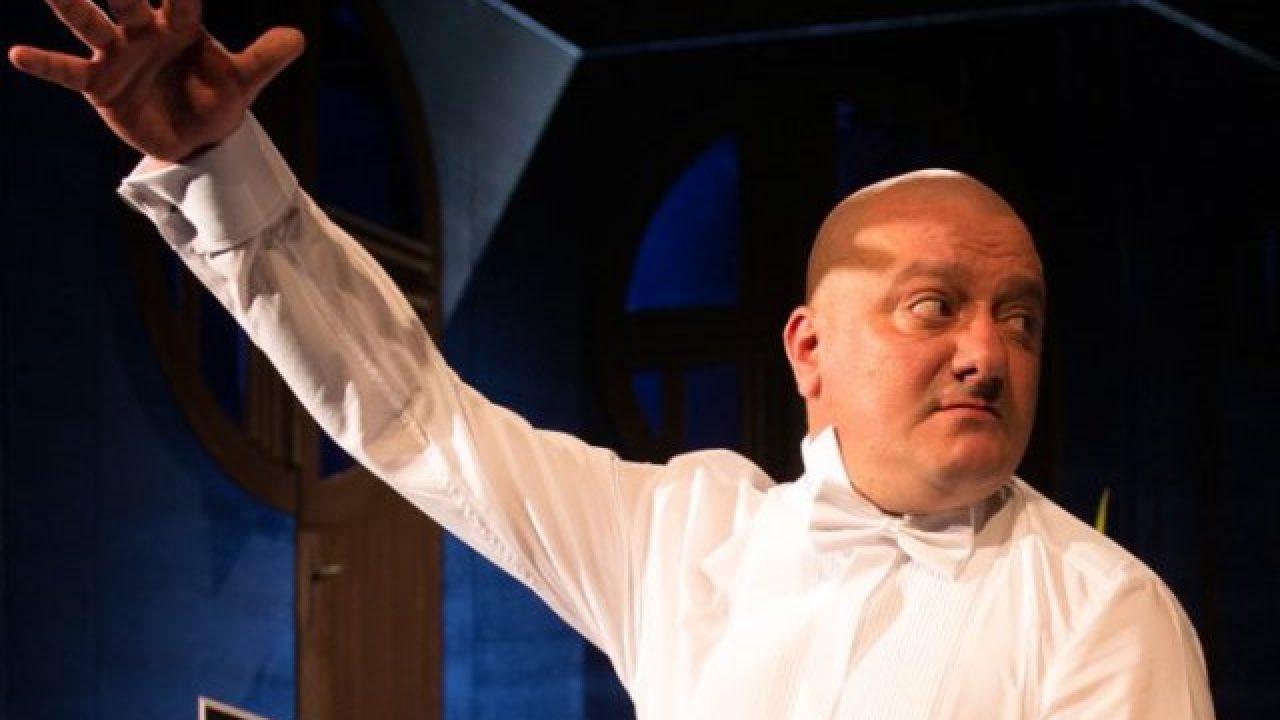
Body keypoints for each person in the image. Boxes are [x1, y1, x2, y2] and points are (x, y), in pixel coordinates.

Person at [10, 1, 1213, 717]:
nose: (985, 354)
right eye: (933, 307)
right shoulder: (684, 535)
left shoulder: (1103, 613)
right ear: (807, 350)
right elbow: (419, 420)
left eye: (1020, 319)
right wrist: (218, 166)